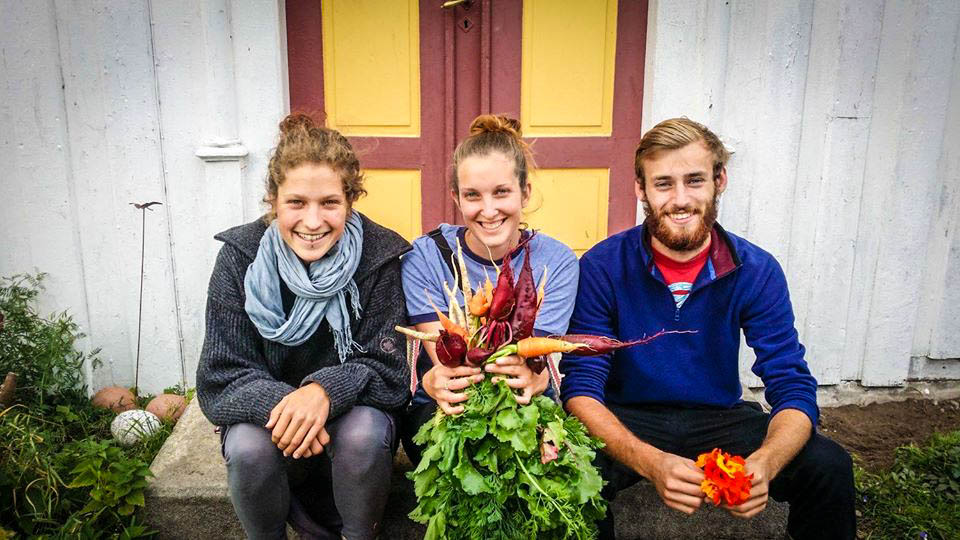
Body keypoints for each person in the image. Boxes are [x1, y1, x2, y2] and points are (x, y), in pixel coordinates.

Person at [560, 118, 855, 540]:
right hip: (628, 416)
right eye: (663, 184)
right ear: (641, 190)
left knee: (829, 466)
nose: (680, 199)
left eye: (695, 180)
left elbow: (790, 384)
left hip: (717, 418)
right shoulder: (603, 265)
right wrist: (651, 462)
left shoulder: (757, 269)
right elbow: (582, 390)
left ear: (720, 181)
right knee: (566, 476)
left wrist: (766, 464)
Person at [196, 113, 412, 540]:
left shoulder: (379, 258)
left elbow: (390, 374)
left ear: (350, 201)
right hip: (270, 424)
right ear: (274, 200)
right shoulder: (240, 258)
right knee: (246, 447)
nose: (312, 222)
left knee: (365, 432)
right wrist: (295, 408)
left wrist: (324, 393)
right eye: (296, 202)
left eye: (329, 203)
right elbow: (221, 375)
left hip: (349, 427)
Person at [399, 114, 580, 464]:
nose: (488, 210)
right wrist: (436, 379)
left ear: (525, 192)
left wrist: (538, 379)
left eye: (501, 192)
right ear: (456, 197)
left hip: (525, 400)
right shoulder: (426, 256)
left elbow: (530, 361)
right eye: (472, 195)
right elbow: (454, 364)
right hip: (447, 402)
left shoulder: (556, 261)